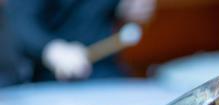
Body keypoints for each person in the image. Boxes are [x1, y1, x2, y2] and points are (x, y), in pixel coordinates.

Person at [5, 0, 155, 82]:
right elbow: (19, 21)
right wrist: (52, 50)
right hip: (54, 78)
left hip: (107, 73)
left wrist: (126, 6)